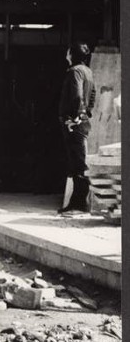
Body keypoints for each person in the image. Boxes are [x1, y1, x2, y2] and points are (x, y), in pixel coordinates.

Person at [57, 42, 96, 215]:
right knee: (78, 162)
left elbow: (77, 95)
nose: (66, 55)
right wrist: (86, 113)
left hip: (76, 123)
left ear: (72, 55)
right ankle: (76, 202)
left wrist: (76, 118)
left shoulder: (74, 72)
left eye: (68, 52)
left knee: (78, 164)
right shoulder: (88, 71)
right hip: (83, 122)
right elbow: (92, 95)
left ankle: (80, 204)